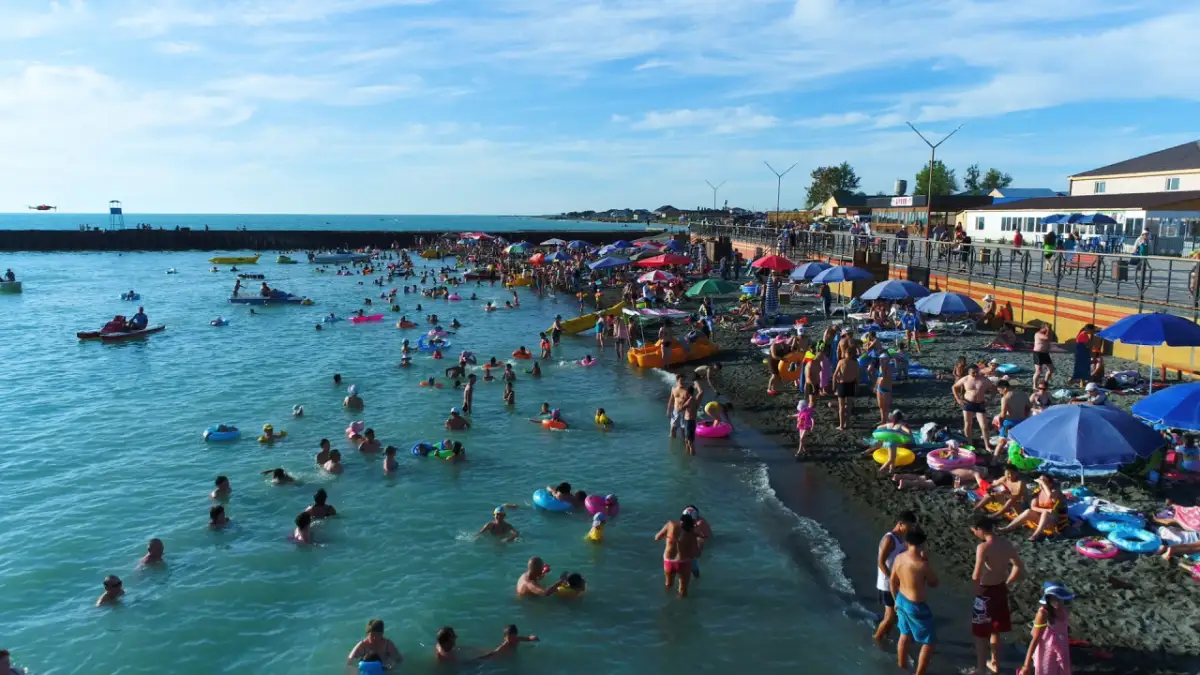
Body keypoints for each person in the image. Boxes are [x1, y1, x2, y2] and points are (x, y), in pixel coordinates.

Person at [970, 514, 1025, 675]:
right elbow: (1017, 566)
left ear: (980, 529)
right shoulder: (1006, 543)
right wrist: (1007, 582)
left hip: (986, 591)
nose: (975, 534)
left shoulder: (983, 547)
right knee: (995, 629)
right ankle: (994, 662)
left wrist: (976, 590)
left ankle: (980, 668)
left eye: (974, 531)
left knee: (980, 634)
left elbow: (976, 573)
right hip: (1000, 590)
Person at [889, 529, 938, 675]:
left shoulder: (899, 558)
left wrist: (895, 600)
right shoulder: (922, 565)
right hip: (916, 606)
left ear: (907, 543)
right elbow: (934, 583)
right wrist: (927, 561)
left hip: (901, 600)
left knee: (904, 635)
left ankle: (902, 666)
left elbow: (892, 581)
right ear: (922, 544)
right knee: (929, 642)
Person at [873, 511, 918, 645]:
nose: (910, 528)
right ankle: (876, 638)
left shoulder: (901, 539)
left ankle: (884, 636)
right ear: (900, 524)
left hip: (896, 583)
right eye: (909, 525)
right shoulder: (889, 539)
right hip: (887, 584)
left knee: (892, 616)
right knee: (890, 616)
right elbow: (880, 562)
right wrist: (892, 579)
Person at [1018, 581, 1074, 675]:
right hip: (1046, 653)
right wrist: (1026, 666)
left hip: (1062, 649)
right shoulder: (1043, 614)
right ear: (1048, 598)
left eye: (1059, 598)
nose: (1057, 601)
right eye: (1053, 598)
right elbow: (1035, 639)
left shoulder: (1062, 610)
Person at [1000, 473, 1065, 541]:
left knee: (1045, 513)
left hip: (1052, 521)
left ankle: (1035, 535)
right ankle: (1009, 527)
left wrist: (1043, 483)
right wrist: (1046, 510)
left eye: (1043, 481)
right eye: (1040, 480)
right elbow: (1033, 507)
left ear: (1050, 484)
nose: (1040, 482)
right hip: (1040, 519)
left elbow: (1051, 497)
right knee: (1028, 511)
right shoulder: (1038, 492)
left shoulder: (1054, 491)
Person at [655, 512, 701, 598]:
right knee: (682, 591)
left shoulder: (670, 524)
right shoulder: (691, 533)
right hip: (683, 563)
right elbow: (697, 554)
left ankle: (666, 604)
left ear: (680, 520)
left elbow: (657, 537)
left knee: (668, 585)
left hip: (668, 561)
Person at [953, 365, 995, 455]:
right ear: (969, 372)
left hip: (980, 404)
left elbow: (994, 389)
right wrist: (958, 399)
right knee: (968, 424)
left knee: (984, 426)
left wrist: (990, 400)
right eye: (973, 372)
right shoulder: (965, 379)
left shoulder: (984, 379)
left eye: (977, 372)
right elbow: (954, 387)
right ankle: (970, 444)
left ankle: (987, 446)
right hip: (968, 403)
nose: (975, 374)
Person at [832, 350, 859, 431]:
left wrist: (834, 386)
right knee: (849, 406)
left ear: (846, 353)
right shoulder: (855, 363)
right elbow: (857, 377)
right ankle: (846, 423)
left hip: (842, 385)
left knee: (841, 407)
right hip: (851, 385)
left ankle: (841, 426)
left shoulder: (841, 362)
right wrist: (857, 387)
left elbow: (835, 375)